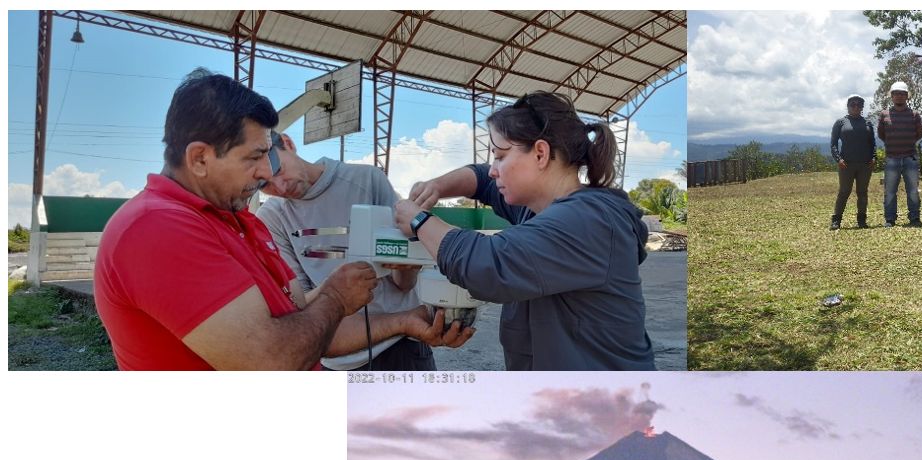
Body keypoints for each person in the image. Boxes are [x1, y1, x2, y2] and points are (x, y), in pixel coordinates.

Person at [93, 68, 393, 370]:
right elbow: (269, 361)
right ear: (199, 158)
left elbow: (293, 309)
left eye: (268, 156)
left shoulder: (240, 220)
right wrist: (336, 299)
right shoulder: (155, 227)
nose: (265, 173)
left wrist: (337, 287)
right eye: (254, 157)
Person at [394, 91, 655, 371]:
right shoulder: (539, 210)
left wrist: (419, 221)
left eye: (501, 156)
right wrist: (438, 186)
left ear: (541, 153)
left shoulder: (589, 221)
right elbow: (482, 180)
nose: (494, 170)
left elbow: (489, 264)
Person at [256, 133, 473, 371]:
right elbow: (298, 305)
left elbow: (403, 282)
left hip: (400, 349)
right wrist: (335, 290)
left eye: (278, 171)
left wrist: (407, 266)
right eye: (264, 185)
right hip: (332, 356)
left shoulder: (366, 179)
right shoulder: (272, 217)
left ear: (288, 143)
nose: (281, 186)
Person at [876, 81, 922, 228]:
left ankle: (914, 218)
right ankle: (890, 219)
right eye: (896, 94)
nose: (899, 96)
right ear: (891, 96)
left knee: (913, 191)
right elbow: (881, 134)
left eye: (902, 94)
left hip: (910, 157)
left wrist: (906, 143)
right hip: (892, 158)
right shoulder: (884, 114)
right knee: (890, 191)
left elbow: (919, 133)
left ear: (906, 96)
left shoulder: (914, 115)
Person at [829, 95, 876, 229]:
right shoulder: (841, 122)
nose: (856, 107)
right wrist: (839, 159)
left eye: (859, 105)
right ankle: (836, 220)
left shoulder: (867, 123)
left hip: (865, 164)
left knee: (862, 192)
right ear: (848, 106)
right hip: (846, 164)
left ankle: (862, 221)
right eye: (853, 104)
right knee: (844, 192)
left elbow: (872, 143)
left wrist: (873, 157)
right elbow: (833, 144)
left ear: (862, 107)